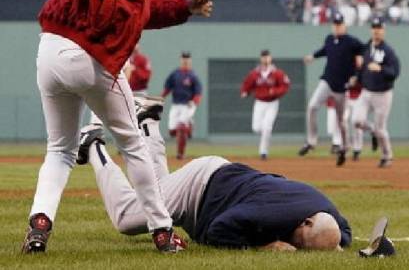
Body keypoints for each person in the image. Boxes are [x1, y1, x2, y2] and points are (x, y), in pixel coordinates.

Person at [23, 0, 213, 254]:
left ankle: (39, 224)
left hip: (50, 54)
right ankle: (162, 231)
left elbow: (145, 10)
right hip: (87, 55)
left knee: (60, 150)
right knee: (134, 145)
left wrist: (183, 8)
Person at [75, 96, 352, 251]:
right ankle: (93, 145)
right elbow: (219, 229)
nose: (298, 247)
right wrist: (265, 246)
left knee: (157, 186)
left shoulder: (325, 210)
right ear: (304, 222)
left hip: (217, 174)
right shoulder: (272, 215)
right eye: (301, 242)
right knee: (126, 217)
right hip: (198, 191)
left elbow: (344, 233)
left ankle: (147, 121)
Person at [298, 12, 364, 166]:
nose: (337, 27)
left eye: (339, 24)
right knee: (312, 106)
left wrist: (360, 57)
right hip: (327, 81)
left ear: (344, 26)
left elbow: (364, 49)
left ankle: (345, 146)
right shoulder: (329, 39)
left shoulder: (351, 42)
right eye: (335, 24)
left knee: (341, 121)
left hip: (342, 87)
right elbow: (324, 50)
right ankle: (311, 141)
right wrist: (312, 56)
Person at [353, 17, 400, 168]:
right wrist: (357, 77)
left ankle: (387, 156)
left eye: (379, 28)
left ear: (383, 31)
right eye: (374, 28)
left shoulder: (388, 51)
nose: (376, 30)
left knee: (381, 129)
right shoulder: (367, 48)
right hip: (366, 92)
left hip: (383, 94)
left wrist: (381, 69)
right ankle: (372, 130)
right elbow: (362, 67)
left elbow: (395, 72)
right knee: (356, 120)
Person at [240, 50, 290, 160]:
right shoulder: (255, 73)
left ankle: (263, 152)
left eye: (267, 57)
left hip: (272, 103)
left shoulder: (277, 73)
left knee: (267, 127)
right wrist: (245, 91)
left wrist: (275, 91)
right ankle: (265, 136)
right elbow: (247, 84)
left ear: (270, 58)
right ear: (261, 59)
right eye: (263, 57)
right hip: (259, 103)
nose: (265, 59)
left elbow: (285, 85)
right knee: (256, 128)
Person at [162, 52, 202, 159]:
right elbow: (167, 88)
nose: (185, 61)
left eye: (187, 59)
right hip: (176, 105)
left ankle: (180, 154)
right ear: (180, 60)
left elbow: (198, 93)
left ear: (190, 61)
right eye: (184, 59)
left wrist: (194, 101)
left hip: (188, 105)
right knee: (172, 131)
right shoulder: (175, 74)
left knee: (181, 127)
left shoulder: (193, 75)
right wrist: (161, 98)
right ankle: (189, 127)